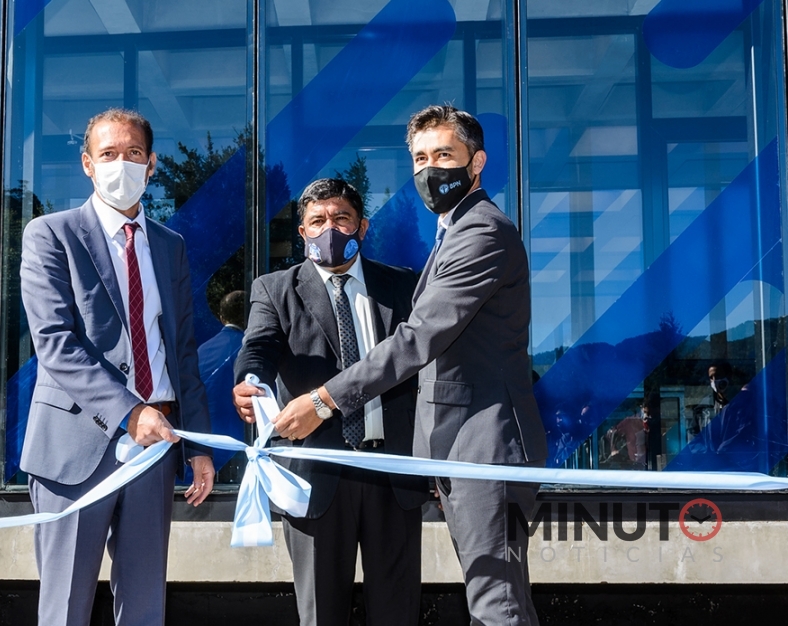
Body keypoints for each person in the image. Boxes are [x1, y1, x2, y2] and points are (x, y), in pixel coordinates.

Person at [273, 106, 549, 626]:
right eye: (420, 158)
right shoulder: (454, 230)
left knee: (498, 606)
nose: (429, 169)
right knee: (490, 600)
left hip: (485, 448)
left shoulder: (482, 232)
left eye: (444, 154)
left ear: (476, 162)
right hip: (462, 451)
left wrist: (324, 400)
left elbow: (418, 339)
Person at [19, 107, 215, 626]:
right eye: (108, 154)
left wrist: (197, 445)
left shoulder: (170, 245)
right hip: (73, 449)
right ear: (87, 164)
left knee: (146, 606)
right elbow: (55, 343)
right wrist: (130, 412)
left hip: (156, 448)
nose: (120, 164)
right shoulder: (50, 234)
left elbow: (183, 351)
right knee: (65, 607)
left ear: (151, 164)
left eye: (133, 153)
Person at [233, 178, 428, 625]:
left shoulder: (404, 286)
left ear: (362, 226)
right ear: (302, 232)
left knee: (398, 613)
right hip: (315, 477)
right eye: (317, 221)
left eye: (341, 218)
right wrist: (249, 381)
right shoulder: (275, 289)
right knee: (321, 614)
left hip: (393, 475)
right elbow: (258, 347)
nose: (329, 229)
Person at [196, 289, 247, 473]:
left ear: (221, 317)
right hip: (238, 445)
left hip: (202, 442)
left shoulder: (202, 350)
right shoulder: (249, 349)